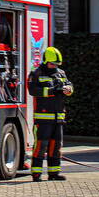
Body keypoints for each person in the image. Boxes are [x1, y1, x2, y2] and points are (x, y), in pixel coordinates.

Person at [27, 46, 73, 181]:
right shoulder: (36, 73)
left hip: (58, 118)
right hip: (43, 118)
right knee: (41, 146)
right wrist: (53, 90)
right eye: (53, 64)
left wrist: (68, 89)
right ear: (46, 60)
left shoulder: (61, 73)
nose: (54, 66)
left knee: (56, 146)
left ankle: (54, 173)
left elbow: (70, 86)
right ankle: (36, 174)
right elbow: (33, 91)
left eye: (57, 64)